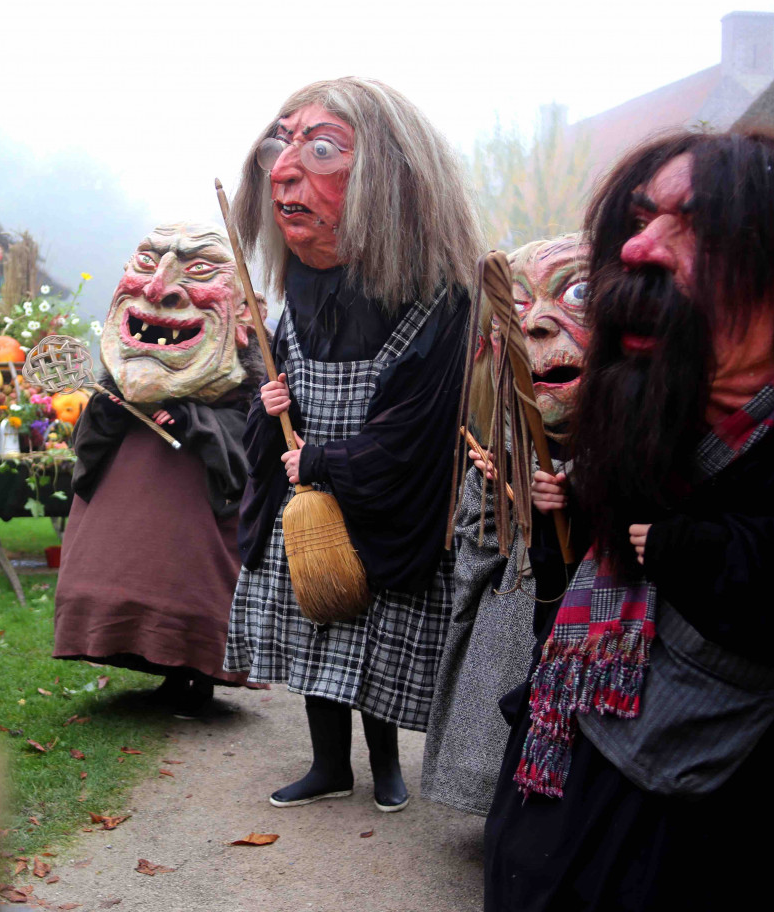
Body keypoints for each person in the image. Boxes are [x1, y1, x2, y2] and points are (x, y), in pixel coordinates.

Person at [484, 128, 774, 910]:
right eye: (640, 221)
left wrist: (713, 554)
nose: (640, 248)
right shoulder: (648, 421)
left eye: (703, 230)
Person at [224, 77, 481, 813]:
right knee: (315, 630)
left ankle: (386, 769)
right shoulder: (298, 295)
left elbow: (416, 440)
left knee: (369, 631)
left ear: (390, 181)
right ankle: (328, 765)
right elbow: (278, 402)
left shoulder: (439, 303)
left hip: (374, 506)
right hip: (306, 503)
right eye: (283, 142)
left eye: (324, 148)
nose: (283, 169)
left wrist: (328, 462)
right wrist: (274, 405)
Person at [53, 222, 263, 718]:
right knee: (130, 574)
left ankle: (195, 675)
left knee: (187, 582)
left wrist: (195, 423)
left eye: (199, 269)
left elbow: (241, 443)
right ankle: (158, 665)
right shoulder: (120, 374)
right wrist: (109, 408)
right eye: (146, 263)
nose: (157, 286)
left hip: (195, 507)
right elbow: (90, 446)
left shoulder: (243, 389)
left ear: (243, 313)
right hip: (129, 493)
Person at [422, 234, 589, 815]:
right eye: (515, 307)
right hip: (515, 598)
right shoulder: (502, 431)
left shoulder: (630, 437)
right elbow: (475, 539)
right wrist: (492, 489)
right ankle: (496, 801)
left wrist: (571, 498)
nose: (535, 326)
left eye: (579, 293)